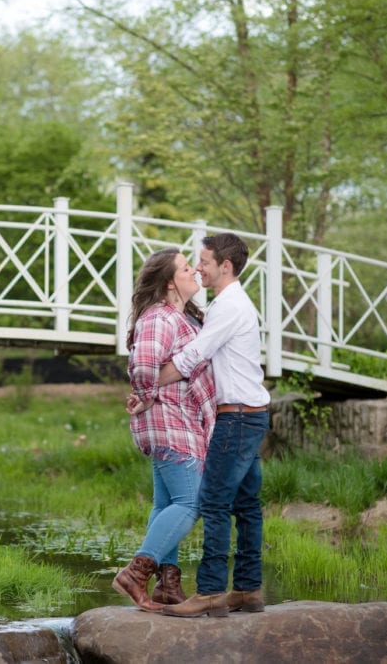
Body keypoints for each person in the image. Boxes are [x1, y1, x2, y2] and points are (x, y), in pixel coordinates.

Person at [144, 233, 271, 618]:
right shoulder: (228, 303)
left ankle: (212, 591)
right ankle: (248, 590)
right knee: (247, 505)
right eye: (195, 262)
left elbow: (193, 357)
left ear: (225, 266)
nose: (199, 268)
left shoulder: (229, 307)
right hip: (250, 414)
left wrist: (148, 383)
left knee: (214, 502)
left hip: (237, 417)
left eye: (204, 261)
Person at [111, 248, 217, 612]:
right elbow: (142, 364)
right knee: (192, 502)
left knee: (167, 505)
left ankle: (168, 585)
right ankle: (135, 574)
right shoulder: (161, 316)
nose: (194, 272)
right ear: (171, 282)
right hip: (171, 422)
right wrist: (144, 395)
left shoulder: (179, 316)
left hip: (174, 421)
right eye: (187, 268)